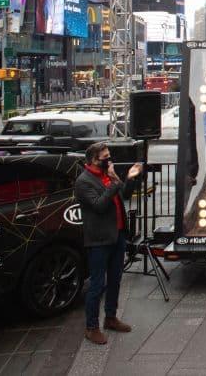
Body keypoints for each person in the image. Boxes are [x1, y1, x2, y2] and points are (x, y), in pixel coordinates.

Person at [74, 143, 143, 345]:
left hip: (117, 235)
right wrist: (113, 181)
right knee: (98, 284)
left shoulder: (108, 175)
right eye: (105, 157)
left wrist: (130, 177)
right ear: (94, 160)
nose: (109, 160)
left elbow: (125, 195)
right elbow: (100, 205)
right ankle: (91, 327)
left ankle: (110, 318)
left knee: (115, 279)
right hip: (99, 239)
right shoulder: (84, 181)